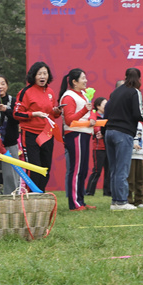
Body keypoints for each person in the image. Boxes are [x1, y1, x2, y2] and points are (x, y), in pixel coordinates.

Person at [105, 68, 143, 210]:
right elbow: (138, 113)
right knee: (122, 169)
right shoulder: (134, 92)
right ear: (138, 79)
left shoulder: (115, 92)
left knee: (113, 169)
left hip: (109, 132)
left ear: (125, 77)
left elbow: (106, 111)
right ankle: (121, 201)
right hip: (123, 133)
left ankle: (115, 201)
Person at [14, 62, 62, 191]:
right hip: (30, 134)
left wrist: (57, 111)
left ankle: (40, 193)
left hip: (47, 134)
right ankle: (32, 194)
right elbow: (16, 114)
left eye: (45, 73)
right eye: (39, 73)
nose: (42, 76)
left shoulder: (50, 91)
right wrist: (33, 114)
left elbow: (52, 113)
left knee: (46, 167)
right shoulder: (25, 92)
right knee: (34, 166)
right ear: (34, 76)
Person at [59, 68, 95, 211]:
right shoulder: (68, 97)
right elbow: (69, 120)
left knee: (83, 169)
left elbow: (91, 111)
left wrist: (92, 118)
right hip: (75, 134)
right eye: (83, 78)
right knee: (76, 170)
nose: (86, 81)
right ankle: (74, 203)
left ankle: (81, 201)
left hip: (85, 133)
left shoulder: (84, 95)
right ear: (74, 82)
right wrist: (85, 111)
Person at [0, 75, 20, 194]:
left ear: (7, 85)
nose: (0, 87)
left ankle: (12, 197)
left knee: (11, 174)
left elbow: (17, 118)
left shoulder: (13, 101)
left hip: (9, 143)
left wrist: (6, 110)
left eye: (2, 83)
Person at [85, 97, 110, 196]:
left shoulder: (108, 116)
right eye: (104, 104)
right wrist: (99, 132)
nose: (107, 106)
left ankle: (107, 192)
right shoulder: (95, 115)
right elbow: (94, 129)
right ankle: (89, 191)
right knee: (97, 171)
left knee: (109, 171)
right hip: (98, 148)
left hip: (108, 147)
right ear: (98, 106)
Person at [128, 122, 143, 207]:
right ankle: (129, 200)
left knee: (139, 179)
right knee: (130, 179)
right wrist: (132, 145)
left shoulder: (140, 124)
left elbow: (142, 139)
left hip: (139, 154)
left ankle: (139, 200)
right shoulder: (127, 121)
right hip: (129, 154)